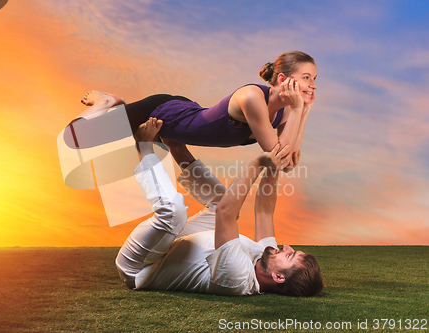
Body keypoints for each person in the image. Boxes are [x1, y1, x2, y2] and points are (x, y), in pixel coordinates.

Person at [115, 117, 323, 297]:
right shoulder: (265, 255)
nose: (286, 247)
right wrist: (275, 164)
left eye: (289, 255)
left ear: (278, 277)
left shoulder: (237, 278)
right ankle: (176, 146)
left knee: (174, 211)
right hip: (173, 246)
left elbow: (226, 213)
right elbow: (264, 211)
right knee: (218, 202)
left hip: (142, 266)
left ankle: (144, 146)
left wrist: (259, 162)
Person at [81, 51, 317, 171]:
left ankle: (120, 107)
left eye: (314, 79)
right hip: (165, 111)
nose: (313, 85)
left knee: (121, 144)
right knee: (78, 138)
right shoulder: (253, 97)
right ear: (284, 79)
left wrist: (303, 111)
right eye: (307, 78)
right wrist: (298, 110)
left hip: (185, 115)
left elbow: (286, 165)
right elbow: (279, 157)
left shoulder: (286, 113)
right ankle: (105, 102)